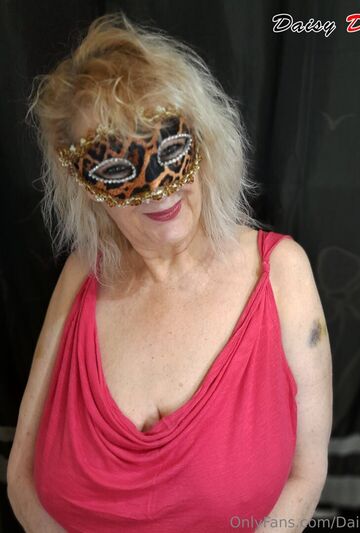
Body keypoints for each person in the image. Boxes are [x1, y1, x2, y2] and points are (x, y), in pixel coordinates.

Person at [7, 12, 332, 533]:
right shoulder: (82, 274)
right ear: (85, 184)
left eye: (171, 146)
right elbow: (22, 477)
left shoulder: (281, 274)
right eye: (117, 167)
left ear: (204, 141)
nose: (158, 187)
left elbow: (306, 474)